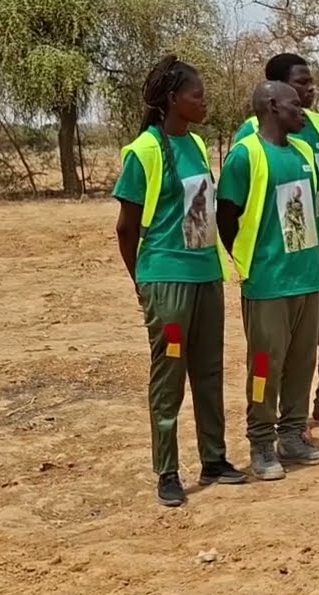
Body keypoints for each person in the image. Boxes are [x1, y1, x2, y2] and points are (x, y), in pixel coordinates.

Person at [113, 54, 245, 507]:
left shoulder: (197, 145)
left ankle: (215, 458)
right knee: (169, 375)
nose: (204, 101)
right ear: (173, 99)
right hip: (165, 280)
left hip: (206, 275)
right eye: (197, 94)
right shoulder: (145, 151)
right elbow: (126, 228)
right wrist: (142, 284)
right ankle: (167, 471)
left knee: (209, 371)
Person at [232, 53, 319, 429]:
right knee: (275, 344)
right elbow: (234, 205)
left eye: (310, 82)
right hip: (277, 256)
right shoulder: (249, 135)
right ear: (277, 93)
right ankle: (269, 422)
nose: (311, 90)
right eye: (301, 84)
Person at [218, 80, 319, 481]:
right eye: (295, 105)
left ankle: (293, 436)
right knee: (266, 365)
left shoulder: (302, 152)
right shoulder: (245, 156)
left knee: (303, 364)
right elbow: (226, 218)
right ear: (272, 107)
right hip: (268, 284)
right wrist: (251, 259)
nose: (302, 112)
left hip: (307, 279)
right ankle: (261, 442)